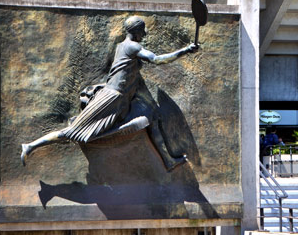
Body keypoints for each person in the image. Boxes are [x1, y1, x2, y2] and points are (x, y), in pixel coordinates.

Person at [21, 16, 199, 171]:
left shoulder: (122, 46)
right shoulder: (132, 47)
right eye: (142, 31)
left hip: (122, 98)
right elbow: (157, 60)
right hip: (112, 99)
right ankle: (31, 146)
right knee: (73, 132)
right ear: (136, 32)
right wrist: (185, 50)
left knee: (152, 118)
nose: (144, 35)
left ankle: (168, 160)